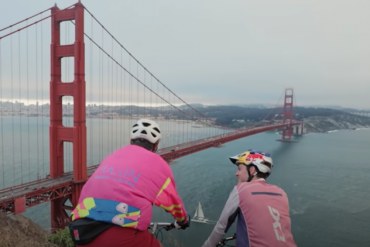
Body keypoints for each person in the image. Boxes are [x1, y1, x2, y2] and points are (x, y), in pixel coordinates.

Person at [69, 119, 189, 247]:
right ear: (156, 145)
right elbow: (173, 202)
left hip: (82, 232)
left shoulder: (111, 157)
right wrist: (183, 221)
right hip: (123, 235)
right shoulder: (159, 164)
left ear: (130, 141)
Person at [202, 150, 297, 247]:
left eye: (239, 169)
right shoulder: (281, 192)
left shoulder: (241, 189)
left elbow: (221, 227)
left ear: (252, 170)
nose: (236, 173)